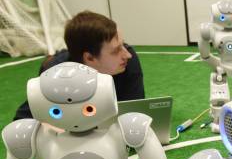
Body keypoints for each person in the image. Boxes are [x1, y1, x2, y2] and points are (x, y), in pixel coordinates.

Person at [14, 11, 144, 120]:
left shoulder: (127, 64)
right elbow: (22, 121)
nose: (127, 55)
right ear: (89, 58)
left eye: (123, 44)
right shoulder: (57, 74)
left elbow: (134, 115)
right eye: (116, 50)